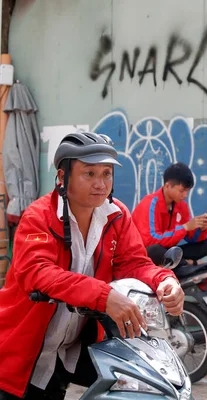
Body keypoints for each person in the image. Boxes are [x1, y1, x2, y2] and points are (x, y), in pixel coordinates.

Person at [0, 131, 185, 399]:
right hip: (19, 350)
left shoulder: (117, 215)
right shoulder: (37, 217)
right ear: (63, 177)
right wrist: (104, 296)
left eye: (106, 174)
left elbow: (134, 263)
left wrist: (165, 281)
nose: (100, 183)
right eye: (89, 174)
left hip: (67, 351)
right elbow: (38, 272)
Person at [132, 162, 207, 268]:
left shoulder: (182, 206)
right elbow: (150, 241)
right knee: (155, 250)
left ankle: (181, 265)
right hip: (145, 255)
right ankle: (189, 265)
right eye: (182, 190)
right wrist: (185, 228)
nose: (185, 195)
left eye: (187, 191)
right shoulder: (149, 204)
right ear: (167, 186)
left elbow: (191, 239)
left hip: (170, 253)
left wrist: (201, 228)